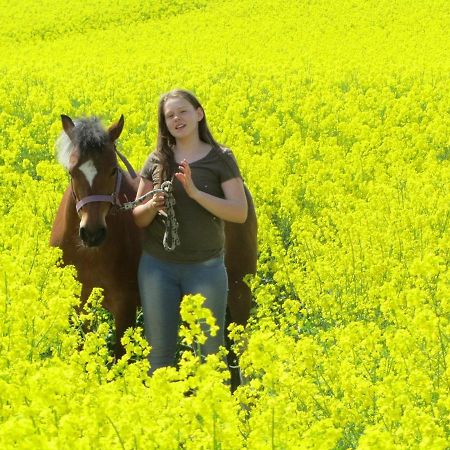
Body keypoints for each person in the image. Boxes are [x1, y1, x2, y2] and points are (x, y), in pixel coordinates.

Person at [133, 89, 248, 374]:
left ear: (199, 113)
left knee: (211, 354)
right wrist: (151, 206)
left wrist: (196, 194)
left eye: (183, 111)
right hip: (157, 268)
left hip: (205, 268)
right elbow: (138, 217)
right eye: (169, 115)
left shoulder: (220, 158)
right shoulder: (157, 159)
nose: (176, 119)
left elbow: (239, 211)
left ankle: (215, 417)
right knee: (158, 355)